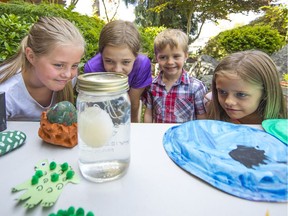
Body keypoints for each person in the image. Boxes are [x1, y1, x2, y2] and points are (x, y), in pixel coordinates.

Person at [0, 16, 85, 121]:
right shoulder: (6, 94)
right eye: (58, 65)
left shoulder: (68, 79)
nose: (68, 74)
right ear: (31, 56)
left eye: (74, 65)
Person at [84, 20, 152, 123]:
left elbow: (133, 104)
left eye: (125, 62)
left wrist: (132, 127)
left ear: (135, 56)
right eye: (109, 61)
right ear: (101, 54)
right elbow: (94, 107)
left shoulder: (142, 65)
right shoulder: (92, 69)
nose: (117, 70)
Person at [141, 29, 207, 123]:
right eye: (163, 57)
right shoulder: (152, 85)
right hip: (159, 135)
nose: (170, 62)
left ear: (186, 55)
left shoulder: (196, 87)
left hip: (185, 136)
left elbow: (202, 116)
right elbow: (149, 113)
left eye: (176, 56)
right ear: (156, 57)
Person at [206, 50, 287, 124]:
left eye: (241, 94)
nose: (228, 101)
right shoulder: (209, 106)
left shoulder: (283, 124)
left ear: (265, 93)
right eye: (222, 92)